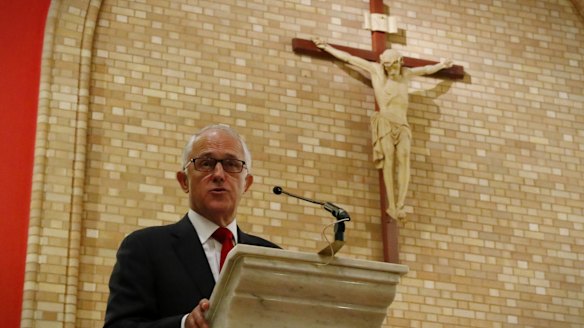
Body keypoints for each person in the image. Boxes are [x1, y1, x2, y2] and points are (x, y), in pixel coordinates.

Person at [104, 124, 280, 328]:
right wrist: (183, 324)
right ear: (184, 181)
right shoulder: (144, 248)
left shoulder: (270, 257)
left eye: (232, 164)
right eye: (206, 163)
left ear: (246, 183)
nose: (219, 174)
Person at [313, 37, 453, 220]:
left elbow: (427, 70)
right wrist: (327, 47)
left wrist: (442, 65)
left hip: (402, 124)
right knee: (389, 160)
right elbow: (349, 59)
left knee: (404, 158)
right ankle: (392, 205)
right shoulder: (376, 71)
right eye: (387, 66)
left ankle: (401, 203)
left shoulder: (406, 75)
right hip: (385, 122)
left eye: (393, 65)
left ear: (400, 63)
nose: (390, 69)